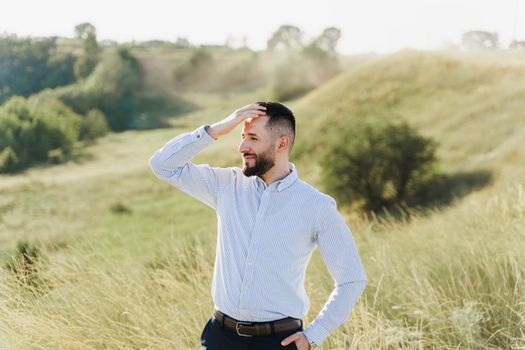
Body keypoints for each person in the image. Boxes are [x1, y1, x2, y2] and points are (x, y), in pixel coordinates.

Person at [149, 102, 368, 349]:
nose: (242, 146)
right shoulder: (226, 186)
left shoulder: (317, 207)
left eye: (253, 138)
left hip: (280, 342)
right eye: (242, 137)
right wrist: (218, 129)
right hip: (219, 338)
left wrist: (314, 334)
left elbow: (351, 279)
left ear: (282, 144)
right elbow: (162, 165)